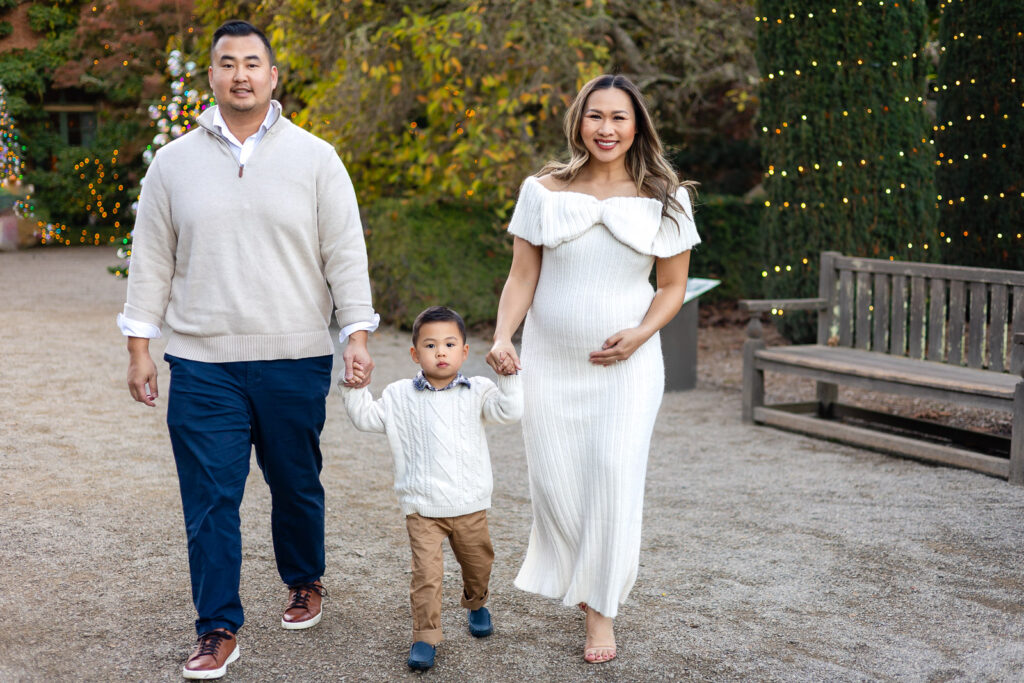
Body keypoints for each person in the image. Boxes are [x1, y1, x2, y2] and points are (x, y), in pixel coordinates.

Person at [118, 20, 378, 680]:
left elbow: (344, 251)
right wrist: (140, 346)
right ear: (210, 77)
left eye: (253, 63)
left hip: (294, 356)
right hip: (203, 362)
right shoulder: (173, 163)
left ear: (273, 76)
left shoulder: (316, 157)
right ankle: (217, 627)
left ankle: (304, 579)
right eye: (227, 63)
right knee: (209, 498)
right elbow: (151, 258)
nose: (241, 74)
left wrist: (357, 333)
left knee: (296, 484)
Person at [485, 74, 700, 664]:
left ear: (637, 127)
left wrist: (640, 334)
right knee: (555, 484)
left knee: (612, 476)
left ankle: (600, 613)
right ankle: (584, 586)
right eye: (596, 116)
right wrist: (504, 335)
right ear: (579, 121)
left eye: (620, 118)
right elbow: (522, 276)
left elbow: (673, 286)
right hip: (551, 364)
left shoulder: (666, 196)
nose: (607, 129)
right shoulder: (542, 190)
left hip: (627, 370)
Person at [341, 306, 522, 671]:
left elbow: (511, 411)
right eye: (431, 345)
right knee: (426, 576)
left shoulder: (478, 391)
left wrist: (508, 377)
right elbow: (364, 418)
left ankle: (476, 602)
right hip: (422, 508)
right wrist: (356, 387)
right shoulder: (398, 396)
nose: (441, 351)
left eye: (450, 344)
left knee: (478, 563)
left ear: (465, 352)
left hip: (469, 504)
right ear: (415, 354)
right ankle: (426, 636)